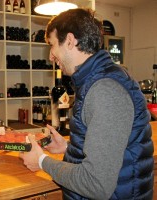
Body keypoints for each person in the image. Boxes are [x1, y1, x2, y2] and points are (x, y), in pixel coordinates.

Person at [20, 8, 154, 199]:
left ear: (70, 41)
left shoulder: (104, 90)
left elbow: (96, 184)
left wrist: (42, 161)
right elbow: (114, 150)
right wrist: (70, 148)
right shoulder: (98, 80)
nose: (50, 56)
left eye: (52, 45)